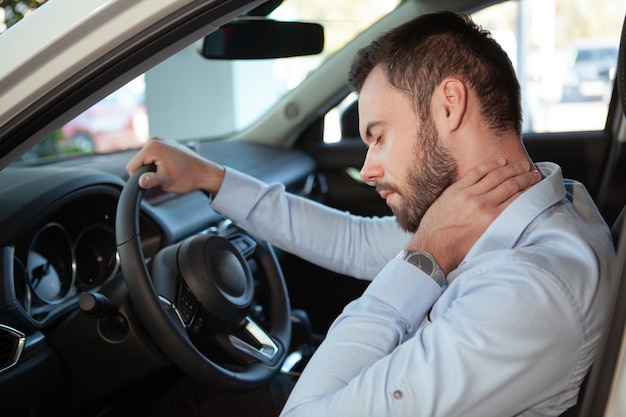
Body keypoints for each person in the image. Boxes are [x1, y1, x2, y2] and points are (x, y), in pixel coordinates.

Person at [127, 11, 615, 417]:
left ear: (449, 105)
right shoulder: (532, 204)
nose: (367, 168)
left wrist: (424, 256)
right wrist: (212, 178)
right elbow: (356, 241)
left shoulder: (526, 294)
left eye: (378, 135)